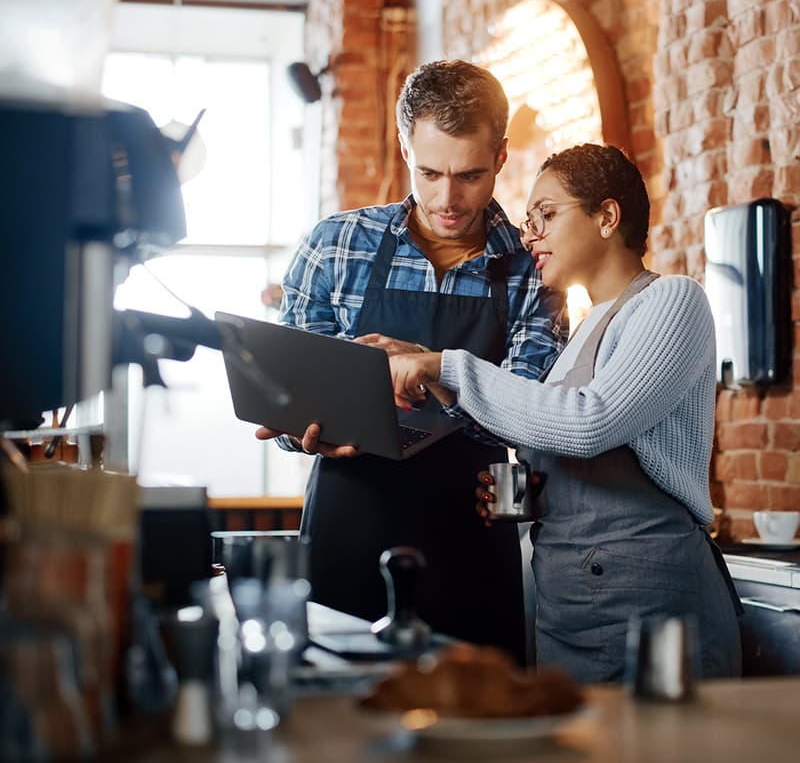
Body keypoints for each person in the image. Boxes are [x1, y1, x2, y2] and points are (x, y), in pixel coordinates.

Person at [388, 143, 743, 683]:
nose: (530, 234)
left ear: (607, 216)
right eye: (529, 220)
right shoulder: (582, 333)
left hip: (650, 608)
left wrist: (447, 367)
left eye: (546, 216)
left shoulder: (674, 300)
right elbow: (582, 452)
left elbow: (589, 422)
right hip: (570, 609)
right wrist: (530, 496)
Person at [256, 59, 567, 664]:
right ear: (404, 146)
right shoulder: (335, 245)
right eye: (429, 172)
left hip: (467, 534)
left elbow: (533, 411)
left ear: (501, 157)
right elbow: (289, 393)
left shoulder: (536, 267)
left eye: (470, 175)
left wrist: (432, 368)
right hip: (348, 522)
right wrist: (300, 431)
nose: (448, 198)